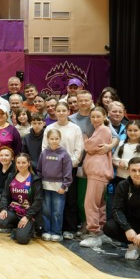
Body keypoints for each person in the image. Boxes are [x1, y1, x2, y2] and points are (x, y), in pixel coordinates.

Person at [43, 102, 84, 240]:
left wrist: (69, 164)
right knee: (53, 202)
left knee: (70, 199)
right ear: (55, 112)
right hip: (52, 170)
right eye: (58, 110)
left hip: (69, 169)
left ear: (68, 112)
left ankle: (69, 228)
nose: (61, 113)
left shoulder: (75, 128)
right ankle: (52, 229)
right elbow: (44, 148)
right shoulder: (50, 128)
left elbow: (79, 149)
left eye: (63, 110)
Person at [79, 107, 115, 248]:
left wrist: (85, 140)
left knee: (90, 203)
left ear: (105, 116)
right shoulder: (98, 130)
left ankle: (94, 234)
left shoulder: (103, 130)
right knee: (99, 203)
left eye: (98, 116)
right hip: (98, 172)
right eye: (93, 117)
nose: (95, 119)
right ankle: (100, 232)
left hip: (98, 172)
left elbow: (88, 146)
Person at [0, 153, 43, 245]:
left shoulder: (34, 180)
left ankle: (27, 229)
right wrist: (3, 209)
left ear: (29, 163)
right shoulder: (11, 177)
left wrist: (27, 217)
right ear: (15, 163)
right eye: (18, 163)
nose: (21, 165)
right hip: (14, 210)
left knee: (22, 239)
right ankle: (16, 227)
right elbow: (5, 195)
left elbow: (38, 201)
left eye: (24, 163)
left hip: (28, 213)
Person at [37, 129, 73, 242]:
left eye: (56, 138)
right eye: (51, 139)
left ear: (60, 139)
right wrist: (39, 183)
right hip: (45, 186)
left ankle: (56, 232)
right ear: (47, 139)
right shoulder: (44, 153)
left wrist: (64, 186)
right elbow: (39, 169)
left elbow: (68, 172)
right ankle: (47, 231)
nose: (54, 141)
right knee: (46, 210)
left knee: (57, 211)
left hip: (59, 188)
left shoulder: (64, 154)